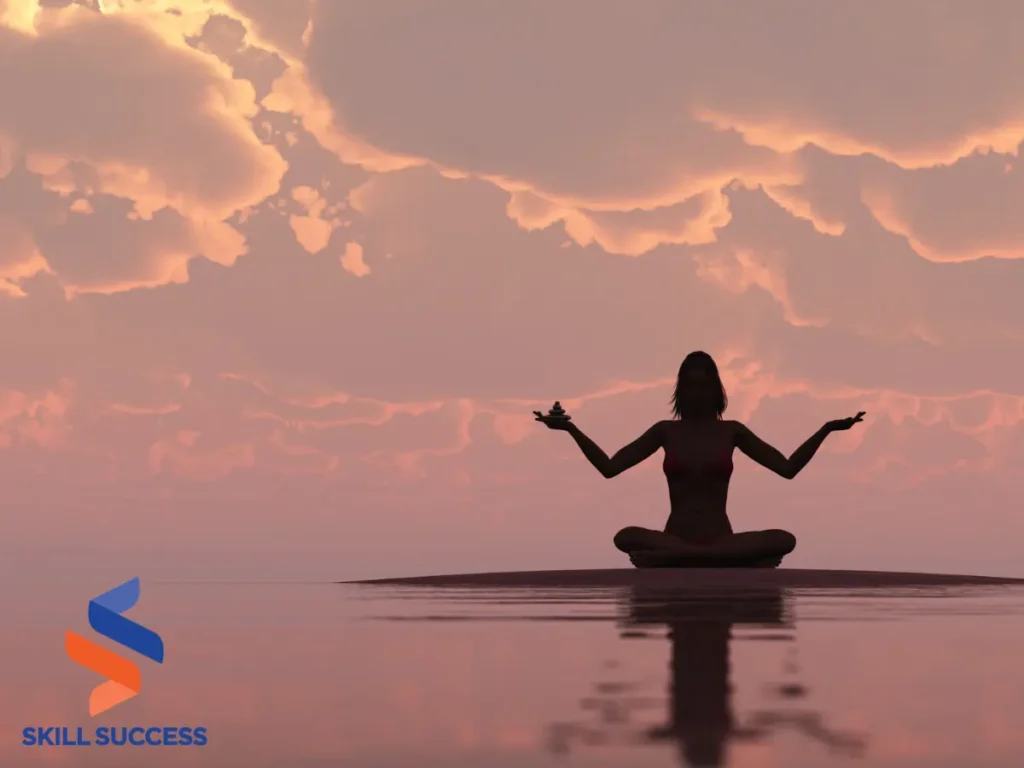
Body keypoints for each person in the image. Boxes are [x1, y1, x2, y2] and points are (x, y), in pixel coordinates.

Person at [533, 351, 865, 568]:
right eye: (690, 387)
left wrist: (826, 429)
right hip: (676, 537)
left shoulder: (732, 431)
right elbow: (609, 467)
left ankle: (685, 558)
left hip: (716, 539)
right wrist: (571, 430)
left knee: (784, 540)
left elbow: (787, 468)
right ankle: (706, 557)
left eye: (704, 386)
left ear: (716, 390)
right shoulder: (665, 431)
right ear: (681, 391)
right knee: (624, 536)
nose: (697, 394)